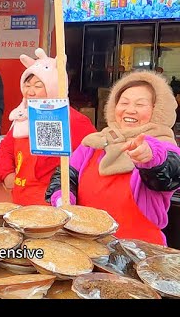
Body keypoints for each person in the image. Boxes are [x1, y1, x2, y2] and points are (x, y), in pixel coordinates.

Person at [46, 71, 180, 245]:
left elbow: (170, 174)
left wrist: (151, 157)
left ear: (158, 110)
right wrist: (62, 201)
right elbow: (64, 177)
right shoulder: (95, 142)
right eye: (123, 103)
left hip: (138, 252)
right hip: (87, 246)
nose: (130, 110)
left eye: (140, 104)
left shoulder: (164, 146)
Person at [0, 49, 96, 205]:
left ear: (54, 87)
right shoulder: (22, 116)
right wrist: (6, 173)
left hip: (55, 204)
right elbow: (6, 148)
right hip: (21, 201)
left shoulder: (75, 121)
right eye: (27, 85)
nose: (30, 92)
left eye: (38, 86)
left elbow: (91, 158)